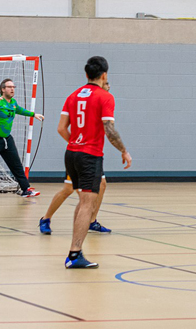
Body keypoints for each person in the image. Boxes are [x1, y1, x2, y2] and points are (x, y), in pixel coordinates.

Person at [59, 56, 132, 268]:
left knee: (83, 202)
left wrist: (76, 141)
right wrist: (124, 151)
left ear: (86, 74)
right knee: (86, 204)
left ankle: (76, 250)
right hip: (90, 155)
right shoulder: (105, 96)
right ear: (104, 75)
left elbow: (61, 128)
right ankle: (74, 254)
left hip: (71, 153)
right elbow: (109, 130)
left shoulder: (73, 96)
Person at [40, 81, 113, 235]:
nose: (109, 86)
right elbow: (61, 128)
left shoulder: (94, 100)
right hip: (81, 153)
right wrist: (78, 143)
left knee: (102, 184)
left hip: (89, 153)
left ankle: (92, 220)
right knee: (68, 189)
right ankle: (45, 218)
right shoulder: (92, 99)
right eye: (106, 83)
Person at [0, 79, 44, 198]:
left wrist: (33, 114)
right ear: (3, 89)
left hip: (6, 139)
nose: (12, 89)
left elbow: (19, 110)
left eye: (13, 87)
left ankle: (26, 189)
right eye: (9, 87)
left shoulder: (13, 103)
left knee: (16, 164)